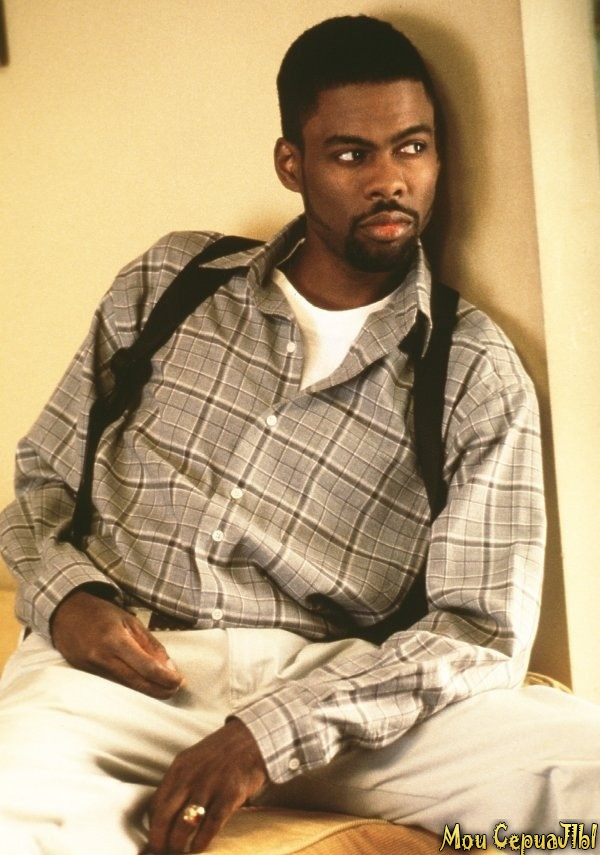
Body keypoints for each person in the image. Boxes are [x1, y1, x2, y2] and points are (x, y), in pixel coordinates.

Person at [0, 14, 598, 855]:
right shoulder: (171, 282)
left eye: (413, 148)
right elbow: (43, 479)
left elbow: (476, 631)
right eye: (352, 154)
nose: (390, 180)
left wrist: (267, 734)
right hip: (118, 673)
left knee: (587, 770)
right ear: (293, 163)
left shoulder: (474, 370)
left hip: (334, 689)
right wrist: (66, 599)